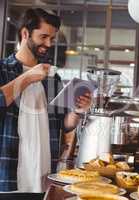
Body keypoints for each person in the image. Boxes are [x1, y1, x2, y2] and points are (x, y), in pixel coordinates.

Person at [0, 8, 91, 192]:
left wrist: (77, 111)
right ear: (25, 33)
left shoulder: (52, 78)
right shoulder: (3, 70)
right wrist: (28, 77)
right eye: (43, 37)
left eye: (52, 38)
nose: (48, 44)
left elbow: (64, 124)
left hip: (43, 177)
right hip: (8, 176)